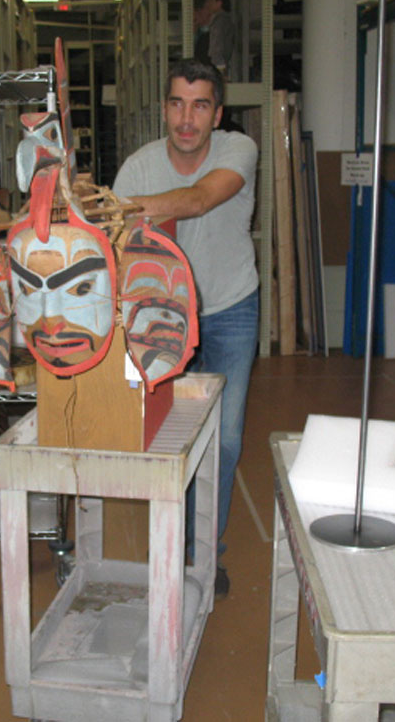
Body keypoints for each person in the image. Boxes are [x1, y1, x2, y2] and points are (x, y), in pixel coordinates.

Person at [112, 59, 259, 598]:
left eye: (200, 105)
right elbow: (116, 245)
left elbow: (198, 199)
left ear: (217, 113)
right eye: (177, 103)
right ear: (164, 109)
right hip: (156, 321)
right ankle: (169, 547)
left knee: (225, 437)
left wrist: (125, 209)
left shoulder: (238, 149)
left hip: (229, 310)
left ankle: (203, 552)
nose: (187, 118)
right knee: (158, 435)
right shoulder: (138, 167)